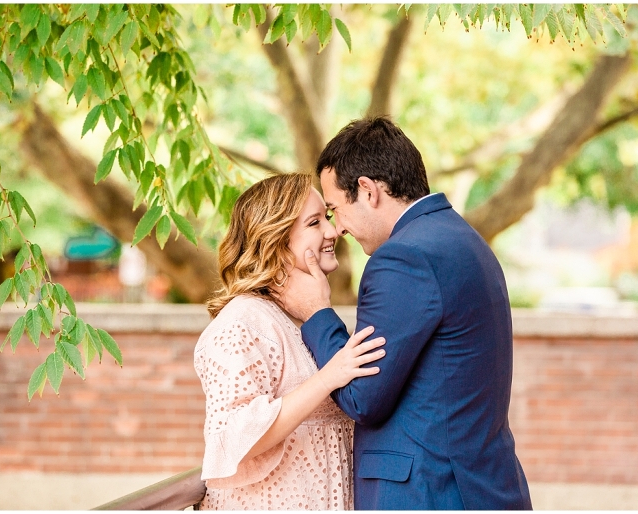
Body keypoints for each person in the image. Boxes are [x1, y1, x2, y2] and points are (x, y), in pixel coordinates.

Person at [277, 117, 533, 510]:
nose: (338, 228)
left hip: (429, 494)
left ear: (368, 189)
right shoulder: (463, 238)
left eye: (335, 209)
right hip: (480, 485)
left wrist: (317, 313)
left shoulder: (402, 257)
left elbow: (364, 397)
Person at [194, 172, 386, 510]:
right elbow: (234, 438)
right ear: (274, 240)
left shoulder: (305, 318)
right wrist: (329, 377)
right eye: (314, 223)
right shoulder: (242, 322)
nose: (332, 231)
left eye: (327, 218)